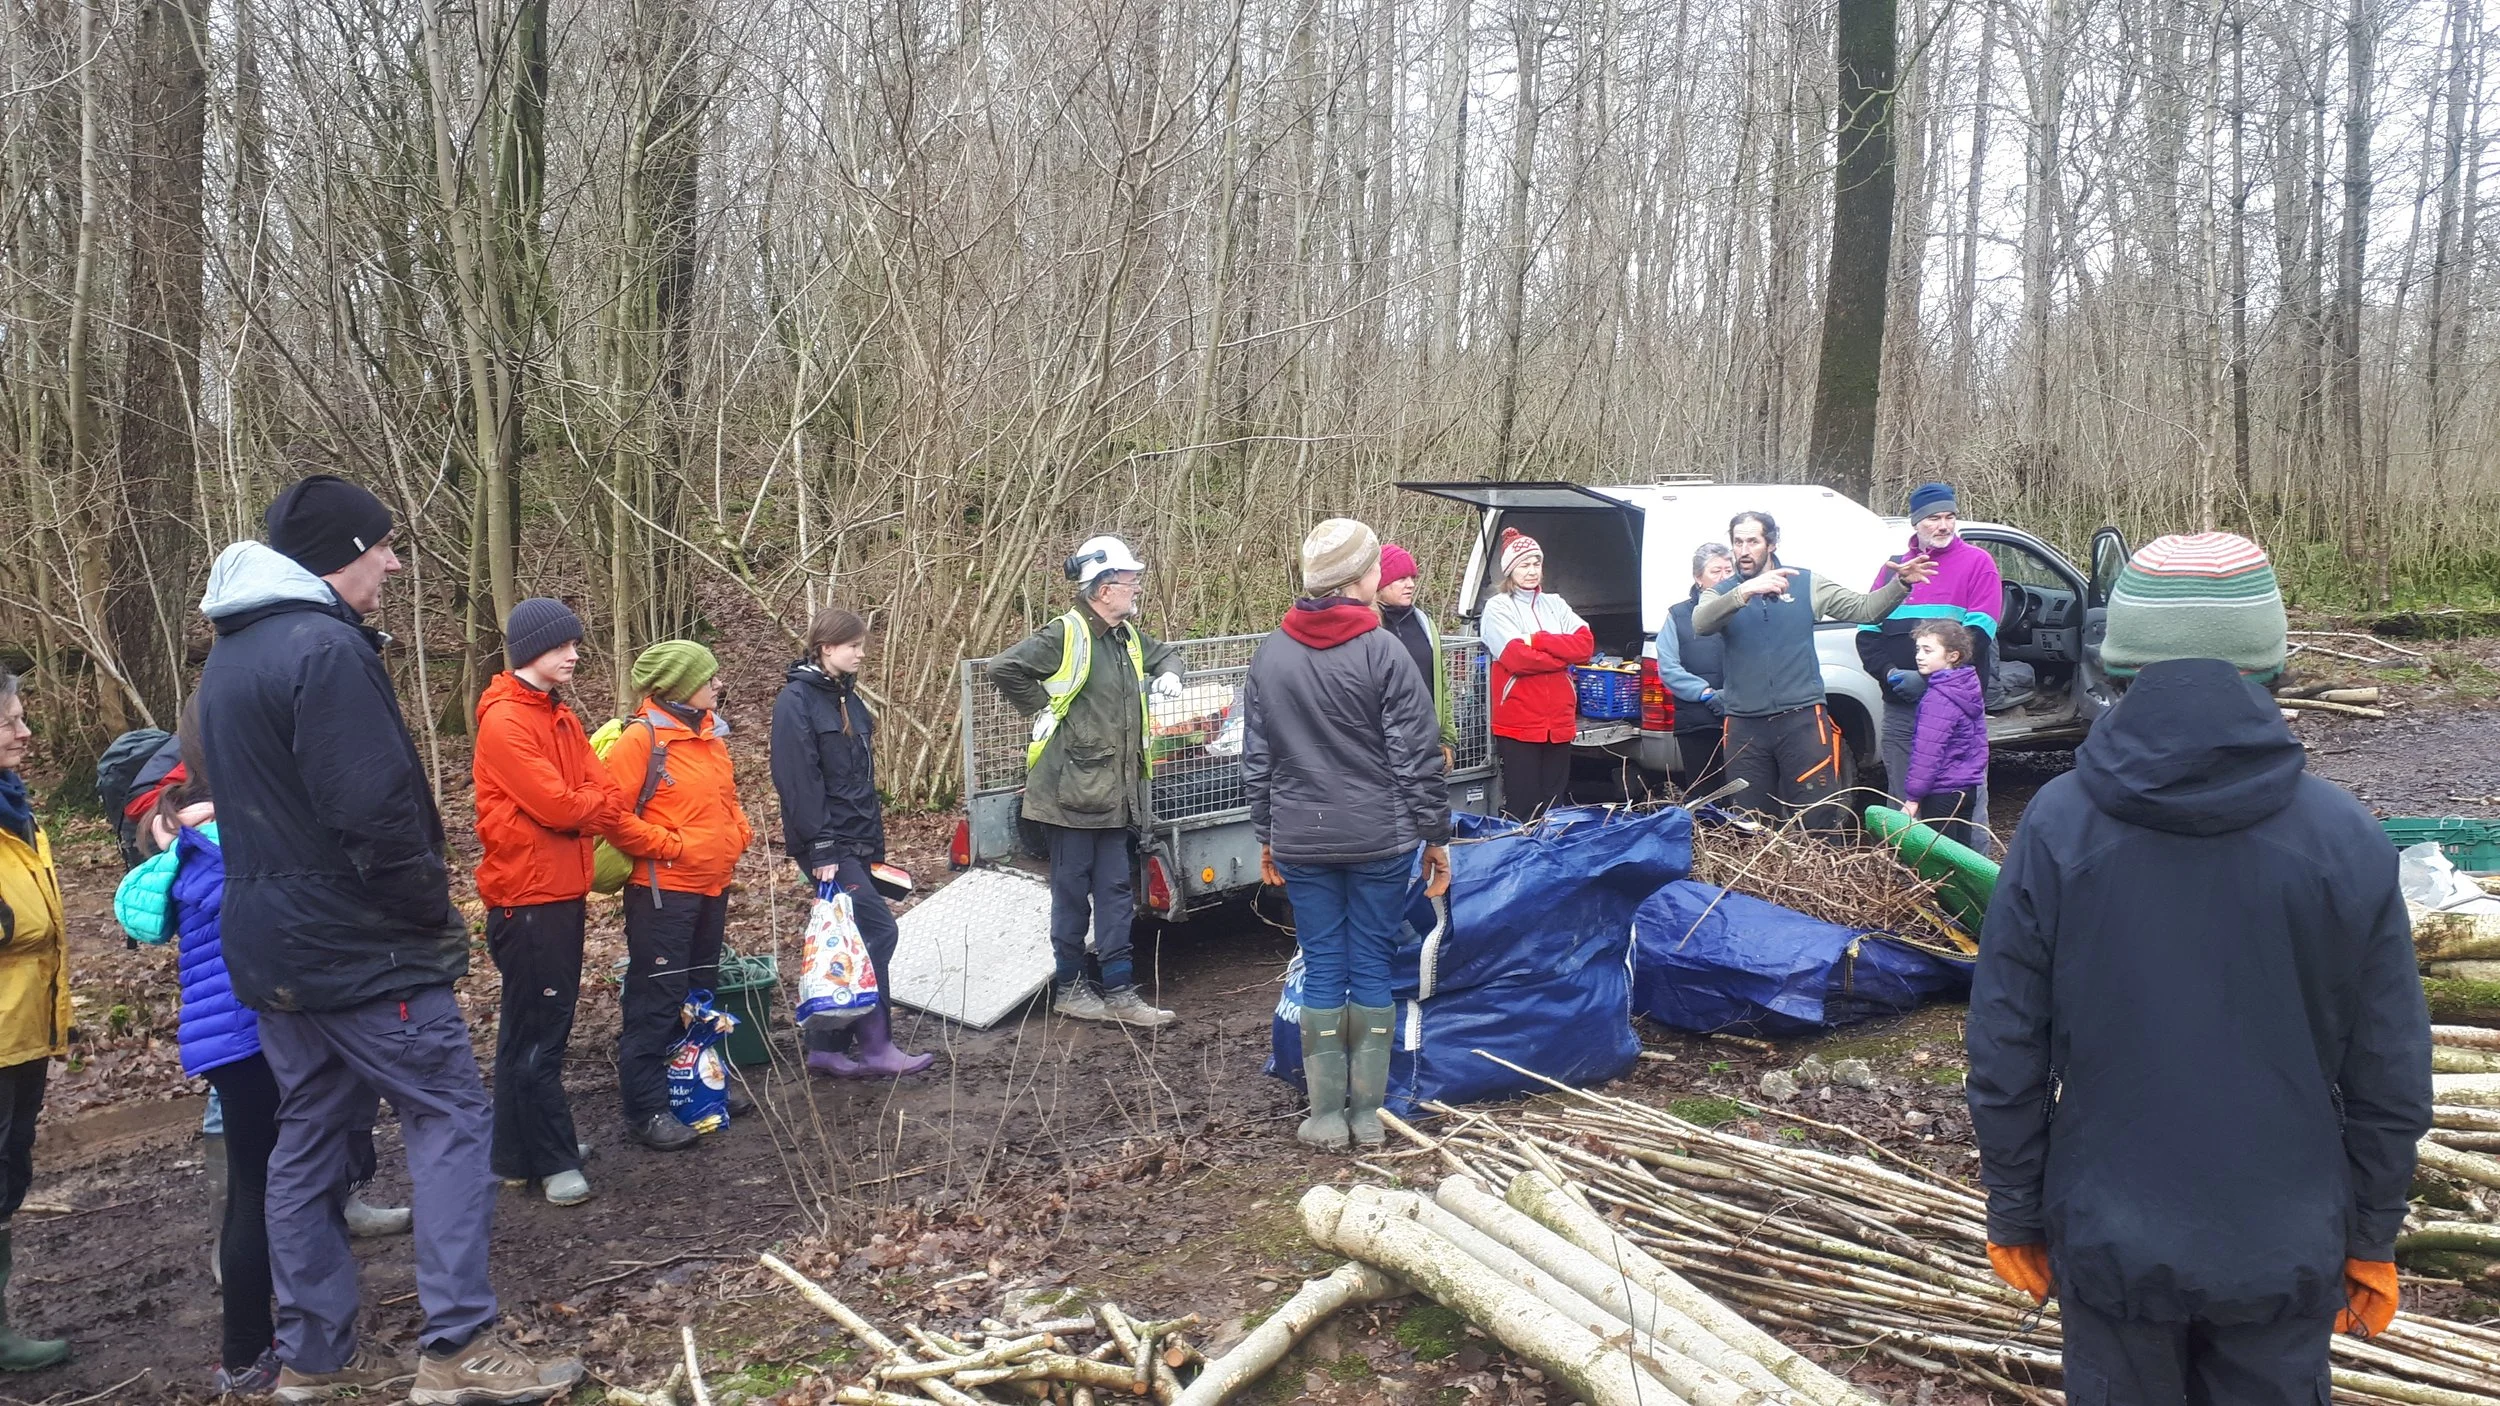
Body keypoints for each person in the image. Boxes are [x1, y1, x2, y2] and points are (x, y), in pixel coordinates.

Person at [1967, 533, 2431, 1406]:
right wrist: (2371, 1233)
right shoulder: (2343, 836)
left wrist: (2016, 1209)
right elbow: (2391, 1071)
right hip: (2283, 1239)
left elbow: (2005, 1046)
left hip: (2110, 1236)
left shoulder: (2059, 828)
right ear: (2270, 661)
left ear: (2122, 659)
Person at [193, 476, 581, 1403]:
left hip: (274, 952)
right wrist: (424, 914)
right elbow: (374, 809)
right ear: (340, 552)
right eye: (383, 546)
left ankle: (315, 1363)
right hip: (363, 948)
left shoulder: (230, 656)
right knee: (449, 1118)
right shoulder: (324, 649)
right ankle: (460, 1351)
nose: (395, 562)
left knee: (307, 1140)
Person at [1243, 521, 1451, 1151]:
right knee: (1371, 967)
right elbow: (1415, 757)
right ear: (1360, 579)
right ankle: (1367, 1113)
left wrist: (1267, 834)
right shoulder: (1382, 651)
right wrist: (1435, 837)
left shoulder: (1271, 653)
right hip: (1380, 840)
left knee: (1323, 968)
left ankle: (1325, 1116)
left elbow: (1257, 760)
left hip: (1302, 840)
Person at [474, 598, 687, 1204]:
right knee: (541, 1031)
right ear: (529, 652)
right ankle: (555, 1158)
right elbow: (563, 805)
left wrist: (587, 805)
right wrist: (588, 807)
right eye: (561, 646)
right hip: (527, 896)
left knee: (528, 1028)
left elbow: (599, 790)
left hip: (558, 889)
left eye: (574, 644)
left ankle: (519, 1152)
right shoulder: (507, 721)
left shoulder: (557, 716)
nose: (574, 654)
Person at [987, 536, 1182, 1028]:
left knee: (1116, 890)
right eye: (1129, 581)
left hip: (1113, 791)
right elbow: (1003, 668)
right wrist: (1046, 713)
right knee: (1072, 893)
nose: (1137, 587)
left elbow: (1167, 656)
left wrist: (1171, 675)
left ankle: (1119, 990)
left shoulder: (1127, 636)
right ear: (1102, 589)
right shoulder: (1066, 634)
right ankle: (1072, 988)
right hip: (1068, 791)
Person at [769, 607, 935, 1080]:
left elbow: (858, 780)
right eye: (853, 646)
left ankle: (827, 1046)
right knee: (878, 932)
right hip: (827, 844)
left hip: (856, 842)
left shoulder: (846, 696)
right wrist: (821, 847)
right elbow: (797, 780)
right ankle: (876, 1045)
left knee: (857, 937)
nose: (863, 653)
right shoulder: (796, 702)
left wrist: (872, 847)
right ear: (826, 648)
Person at [602, 641, 754, 1151]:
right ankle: (646, 1109)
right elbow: (612, 816)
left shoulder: (709, 736)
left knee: (700, 993)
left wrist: (738, 834)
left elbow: (727, 799)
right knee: (656, 1000)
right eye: (708, 676)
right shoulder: (641, 741)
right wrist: (670, 846)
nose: (718, 683)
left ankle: (699, 1086)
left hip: (712, 886)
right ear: (678, 684)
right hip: (662, 894)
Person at [1692, 510, 1935, 829]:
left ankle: (1813, 877)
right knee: (1750, 823)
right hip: (1744, 725)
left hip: (1802, 720)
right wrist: (1744, 592)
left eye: (1753, 541)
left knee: (1817, 817)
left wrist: (1900, 583)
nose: (1744, 550)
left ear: (1772, 543)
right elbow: (1701, 623)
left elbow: (1864, 609)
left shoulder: (1805, 583)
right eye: (1737, 542)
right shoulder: (1722, 593)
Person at [1857, 482, 2002, 834]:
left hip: (1956, 712)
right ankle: (1908, 883)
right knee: (1902, 803)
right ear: (1915, 523)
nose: (1943, 525)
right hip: (1901, 709)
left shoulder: (1978, 565)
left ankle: (1970, 881)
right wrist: (1891, 674)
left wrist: (1926, 680)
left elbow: (1978, 636)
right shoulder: (1896, 571)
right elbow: (1867, 635)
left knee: (1963, 810)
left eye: (1950, 516)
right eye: (1934, 518)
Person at [0, 671, 69, 1373]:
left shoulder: (16, 809)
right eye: (9, 723)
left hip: (22, 1027)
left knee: (7, 1174)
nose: (24, 734)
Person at [1478, 528, 1594, 819]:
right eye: (1523, 565)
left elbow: (1585, 647)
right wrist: (1561, 656)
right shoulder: (1497, 608)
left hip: (1559, 721)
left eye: (1536, 564)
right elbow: (1517, 659)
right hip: (1519, 721)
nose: (1531, 571)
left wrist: (1539, 640)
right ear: (1509, 570)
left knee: (1554, 804)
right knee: (1524, 804)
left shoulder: (1556, 604)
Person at [1895, 620, 1986, 848]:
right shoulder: (1967, 688)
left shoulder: (1938, 698)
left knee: (1940, 859)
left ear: (1952, 656)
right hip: (1967, 787)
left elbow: (1927, 752)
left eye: (1928, 650)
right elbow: (1979, 742)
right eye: (1918, 649)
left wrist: (1913, 798)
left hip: (1942, 792)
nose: (1919, 656)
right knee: (1963, 856)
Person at [1656, 543, 1736, 800]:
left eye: (1728, 569)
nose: (1724, 577)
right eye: (1716, 571)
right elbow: (1668, 667)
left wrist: (1734, 694)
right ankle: (1708, 840)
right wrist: (1706, 693)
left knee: (1742, 794)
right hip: (1697, 722)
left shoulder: (1749, 609)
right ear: (1698, 578)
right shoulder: (1678, 616)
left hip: (1742, 717)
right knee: (1705, 795)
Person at [1373, 544, 1458, 768]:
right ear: (1380, 582)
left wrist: (1447, 738)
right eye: (1401, 578)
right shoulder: (1369, 629)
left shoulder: (1424, 623)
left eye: (1412, 577)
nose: (1410, 584)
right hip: (1383, 750)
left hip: (1426, 744)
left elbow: (1441, 684)